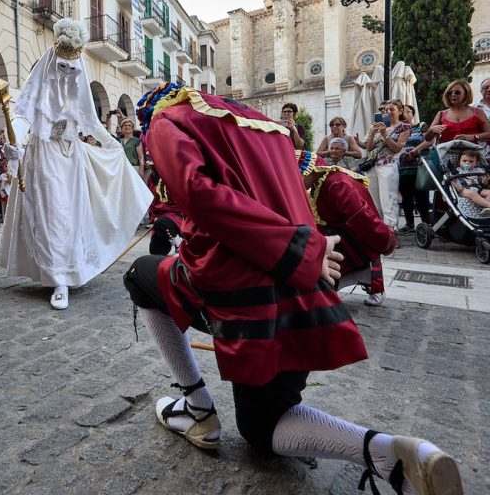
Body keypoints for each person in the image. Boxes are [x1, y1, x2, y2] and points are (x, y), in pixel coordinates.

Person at [123, 82, 463, 495]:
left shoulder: (164, 120)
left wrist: (299, 249)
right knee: (268, 421)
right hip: (300, 279)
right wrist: (306, 251)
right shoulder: (265, 126)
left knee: (140, 274)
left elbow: (199, 194)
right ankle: (400, 452)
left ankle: (197, 407)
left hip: (241, 283)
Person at [0, 18, 152, 310]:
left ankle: (71, 270)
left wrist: (112, 146)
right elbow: (22, 115)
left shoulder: (78, 79)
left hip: (72, 157)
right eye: (63, 66)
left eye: (73, 66)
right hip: (43, 155)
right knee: (52, 214)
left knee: (71, 216)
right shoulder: (40, 79)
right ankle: (58, 278)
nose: (68, 72)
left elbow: (90, 122)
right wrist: (14, 144)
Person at [299, 151, 395, 306]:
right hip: (343, 233)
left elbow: (363, 219)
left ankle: (371, 286)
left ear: (309, 170)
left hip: (355, 236)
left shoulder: (336, 184)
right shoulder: (321, 183)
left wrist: (385, 240)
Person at [364, 99, 411, 231]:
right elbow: (369, 148)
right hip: (373, 166)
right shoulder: (380, 126)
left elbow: (397, 148)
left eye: (392, 109)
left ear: (400, 111)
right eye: (385, 110)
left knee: (389, 199)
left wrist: (385, 135)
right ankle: (379, 231)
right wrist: (373, 134)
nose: (388, 112)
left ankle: (391, 231)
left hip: (389, 164)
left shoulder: (404, 127)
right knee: (374, 200)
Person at [398, 104, 431, 233]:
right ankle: (409, 224)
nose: (403, 114)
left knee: (422, 196)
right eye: (402, 112)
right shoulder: (397, 129)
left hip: (419, 167)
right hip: (402, 168)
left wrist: (415, 151)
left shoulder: (421, 126)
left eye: (406, 111)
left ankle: (426, 224)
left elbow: (430, 141)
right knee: (406, 197)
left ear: (412, 113)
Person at [424, 80, 490, 144]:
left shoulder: (477, 111)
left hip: (471, 152)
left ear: (466, 93)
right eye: (450, 93)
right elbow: (427, 138)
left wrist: (473, 137)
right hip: (446, 152)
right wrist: (431, 130)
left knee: (467, 156)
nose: (453, 95)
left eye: (457, 92)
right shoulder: (441, 114)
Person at [452, 150, 490, 218]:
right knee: (471, 193)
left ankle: (486, 208)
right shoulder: (457, 170)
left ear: (476, 163)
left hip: (478, 188)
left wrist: (484, 182)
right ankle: (488, 205)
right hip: (463, 190)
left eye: (471, 161)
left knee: (489, 192)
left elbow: (483, 183)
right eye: (464, 161)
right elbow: (452, 181)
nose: (467, 163)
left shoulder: (479, 170)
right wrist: (457, 187)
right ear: (459, 162)